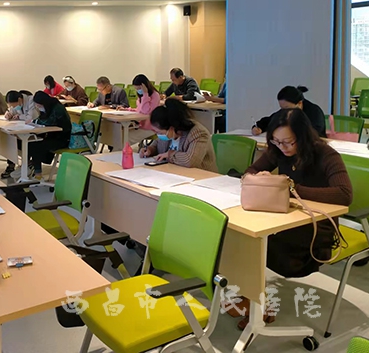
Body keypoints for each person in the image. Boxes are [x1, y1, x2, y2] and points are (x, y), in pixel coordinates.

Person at [230, 108, 352, 330]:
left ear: (303, 136)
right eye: (276, 141)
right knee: (236, 235)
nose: (283, 147)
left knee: (256, 241)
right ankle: (253, 298)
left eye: (288, 142)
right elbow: (251, 171)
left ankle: (257, 303)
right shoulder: (278, 150)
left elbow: (344, 194)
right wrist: (259, 178)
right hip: (289, 218)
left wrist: (293, 189)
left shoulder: (325, 155)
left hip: (316, 229)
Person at [140, 98, 217, 172]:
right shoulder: (168, 132)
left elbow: (190, 161)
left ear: (172, 127)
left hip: (200, 176)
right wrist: (150, 150)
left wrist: (169, 154)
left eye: (160, 133)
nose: (158, 135)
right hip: (172, 172)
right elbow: (157, 144)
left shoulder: (198, 133)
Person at [252, 86, 326, 138]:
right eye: (282, 108)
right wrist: (259, 127)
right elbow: (270, 121)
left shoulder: (314, 112)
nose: (284, 112)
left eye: (287, 108)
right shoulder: (286, 110)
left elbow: (314, 133)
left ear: (299, 103)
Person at [29, 91, 72, 179]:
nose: (38, 107)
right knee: (31, 141)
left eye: (39, 105)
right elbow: (43, 119)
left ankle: (38, 174)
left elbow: (50, 122)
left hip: (63, 138)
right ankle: (31, 166)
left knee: (35, 145)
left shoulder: (57, 108)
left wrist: (34, 122)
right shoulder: (48, 106)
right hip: (52, 135)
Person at [1, 90, 39, 179]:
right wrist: (8, 114)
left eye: (14, 105)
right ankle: (12, 165)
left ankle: (27, 164)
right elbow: (11, 111)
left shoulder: (31, 101)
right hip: (20, 129)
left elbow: (31, 117)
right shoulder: (17, 103)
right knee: (9, 139)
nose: (13, 107)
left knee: (16, 141)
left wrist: (19, 116)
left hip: (33, 130)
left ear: (19, 100)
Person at [120, 74, 161, 144]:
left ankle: (122, 150)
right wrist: (126, 109)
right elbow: (139, 110)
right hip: (140, 125)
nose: (138, 91)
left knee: (126, 138)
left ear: (145, 86)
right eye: (136, 89)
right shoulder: (141, 96)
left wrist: (145, 93)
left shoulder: (155, 95)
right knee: (120, 135)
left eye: (139, 89)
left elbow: (146, 111)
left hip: (149, 128)